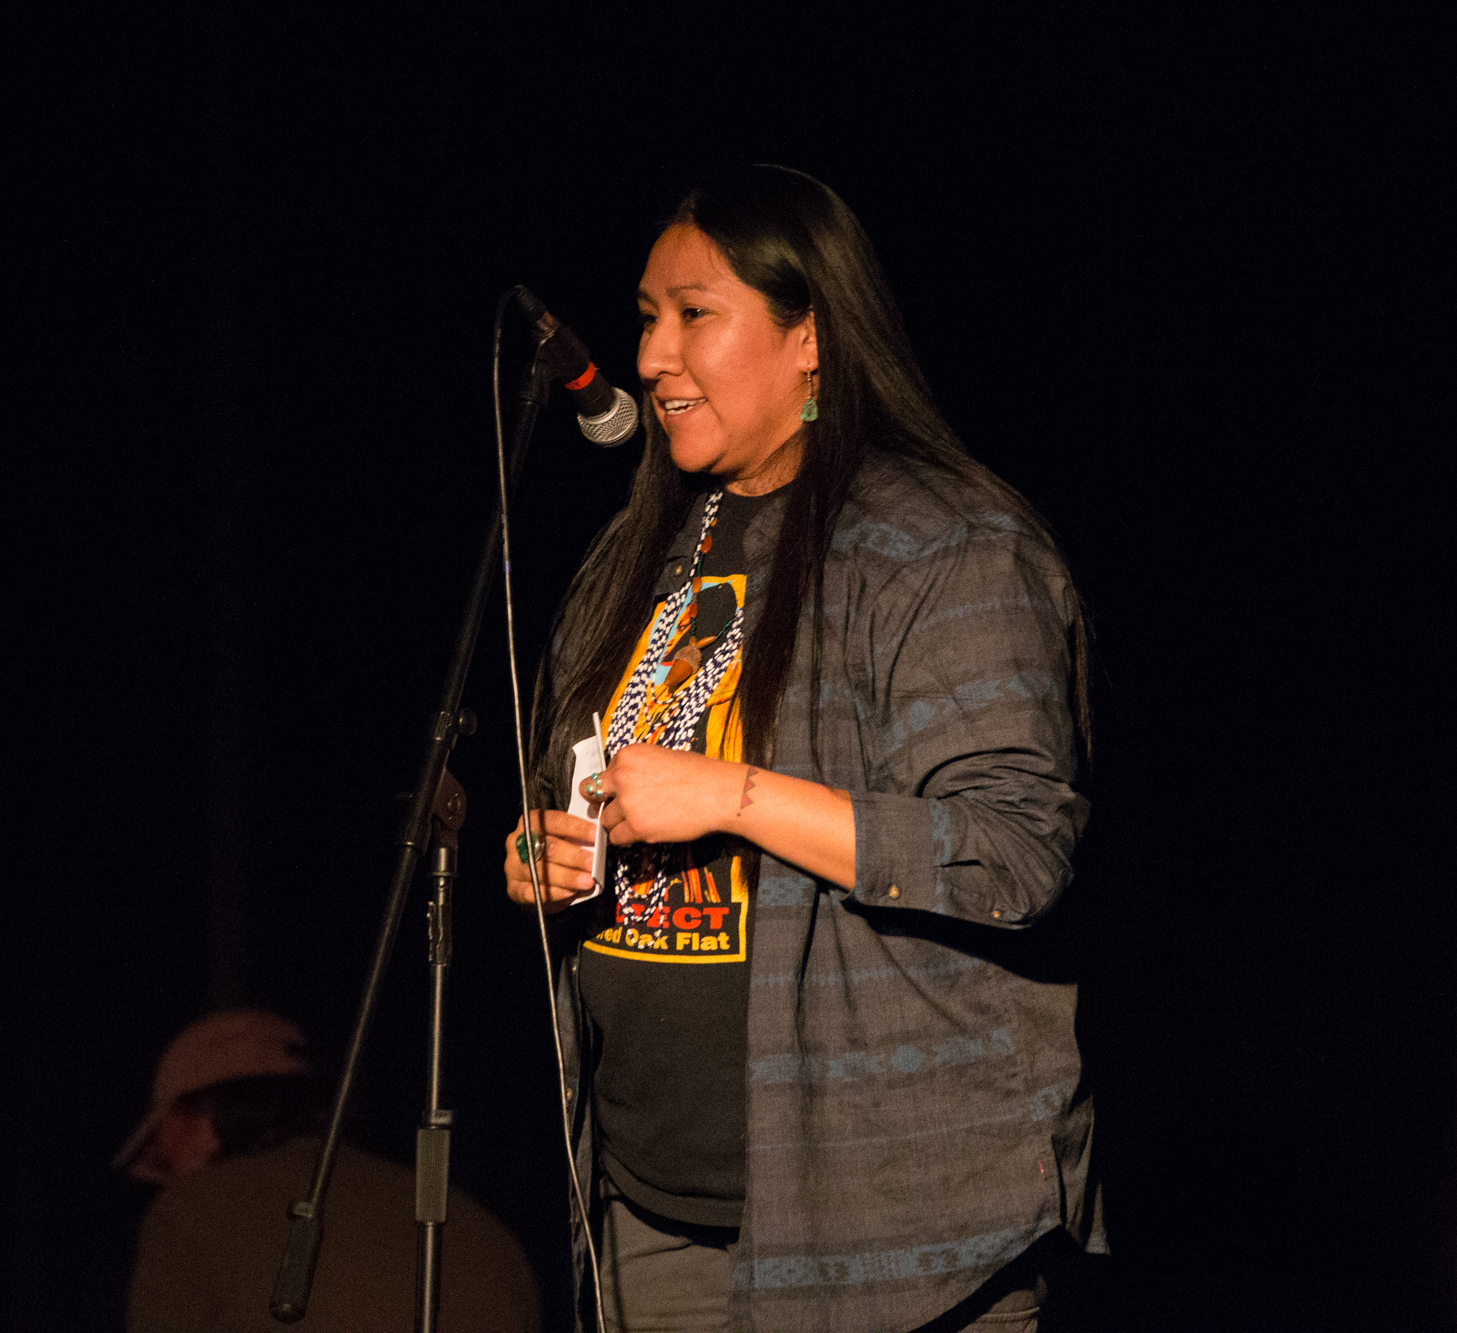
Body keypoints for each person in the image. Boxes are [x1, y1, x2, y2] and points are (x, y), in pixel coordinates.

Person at [503, 165, 1101, 1333]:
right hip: (649, 1212)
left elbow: (1012, 852)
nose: (651, 357)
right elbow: (570, 786)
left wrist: (733, 796)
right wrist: (543, 852)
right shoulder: (637, 555)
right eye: (645, 317)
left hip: (887, 1231)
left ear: (808, 337)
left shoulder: (939, 545)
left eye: (693, 314)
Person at [121, 1009, 541, 1332]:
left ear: (199, 1120)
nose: (167, 1176)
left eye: (163, 1155)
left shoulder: (189, 1212)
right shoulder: (472, 1221)